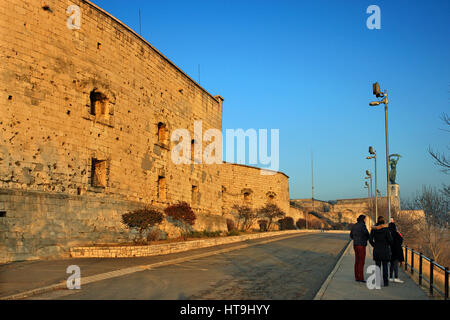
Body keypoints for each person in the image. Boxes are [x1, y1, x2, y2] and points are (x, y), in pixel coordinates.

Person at [369, 216, 393, 287]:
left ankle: (377, 282)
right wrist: (388, 244)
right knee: (385, 266)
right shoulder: (386, 229)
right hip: (385, 250)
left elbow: (370, 239)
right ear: (383, 221)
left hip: (377, 250)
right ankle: (385, 282)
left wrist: (374, 245)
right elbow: (390, 240)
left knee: (377, 266)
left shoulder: (374, 229)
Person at [350, 215, 370, 282]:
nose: (366, 220)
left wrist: (355, 239)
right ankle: (361, 277)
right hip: (361, 245)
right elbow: (367, 234)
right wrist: (365, 239)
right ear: (363, 219)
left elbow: (351, 235)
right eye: (365, 219)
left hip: (355, 244)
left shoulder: (354, 225)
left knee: (357, 261)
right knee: (361, 261)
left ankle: (357, 277)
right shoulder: (363, 226)